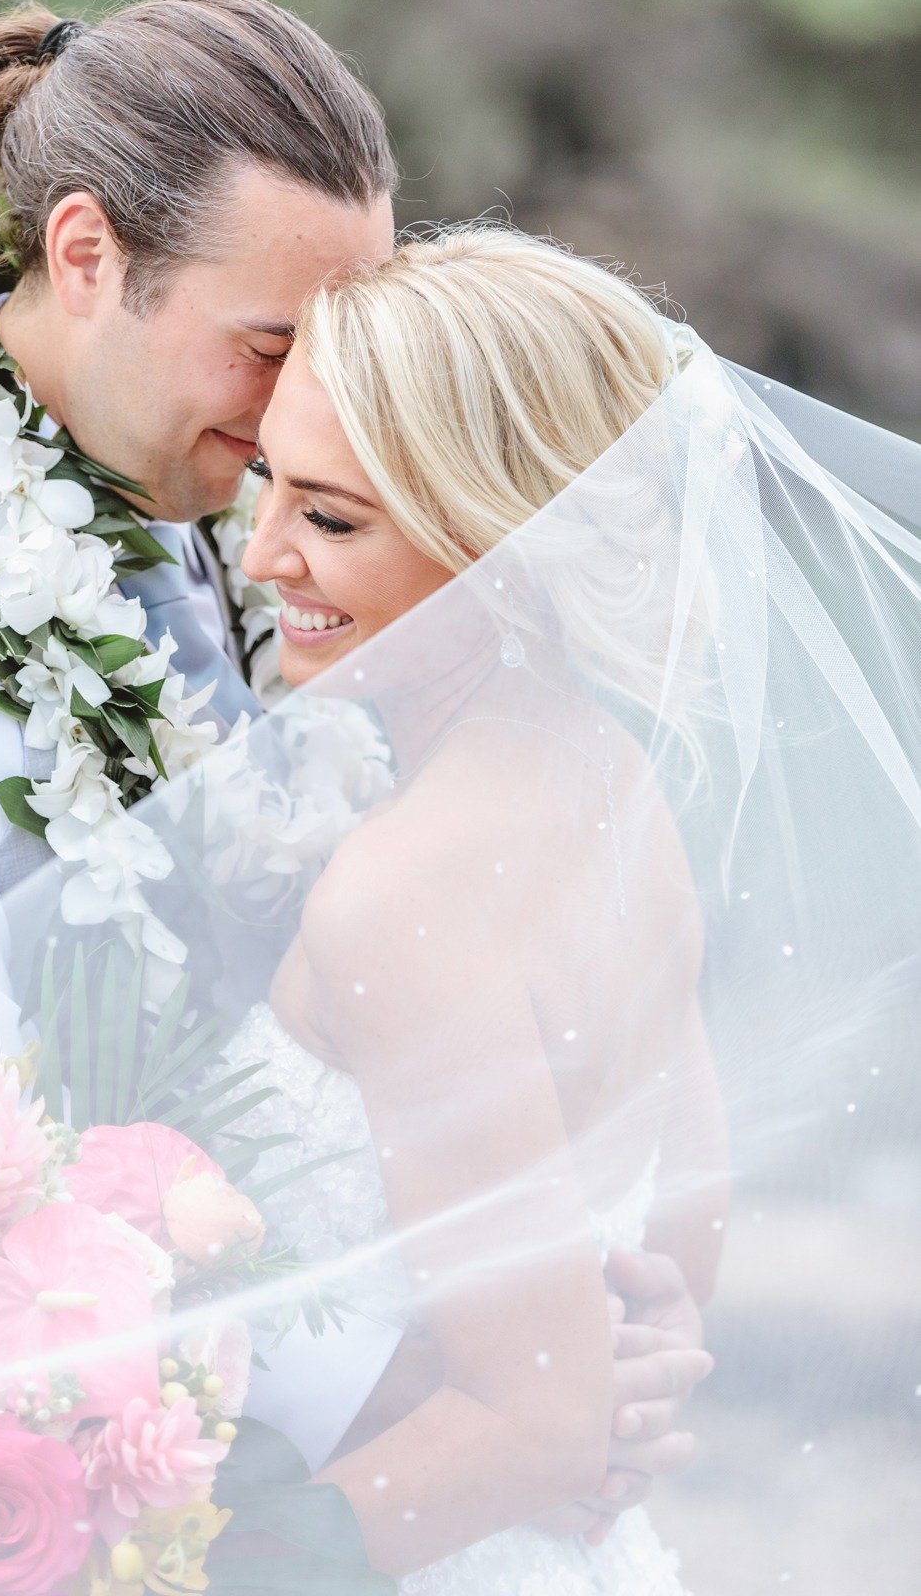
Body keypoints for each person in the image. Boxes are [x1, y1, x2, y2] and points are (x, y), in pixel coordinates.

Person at [0, 0, 705, 1520]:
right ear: (86, 256)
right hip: (41, 1481)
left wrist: (580, 1320)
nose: (312, 418)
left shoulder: (262, 540)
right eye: (271, 345)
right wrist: (462, 1400)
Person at [236, 228, 736, 1587]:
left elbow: (528, 1426)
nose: (262, 552)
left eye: (331, 519)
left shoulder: (400, 894)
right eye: (264, 483)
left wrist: (180, 1568)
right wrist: (631, 1360)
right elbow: (684, 1211)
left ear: (509, 543)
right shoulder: (609, 777)